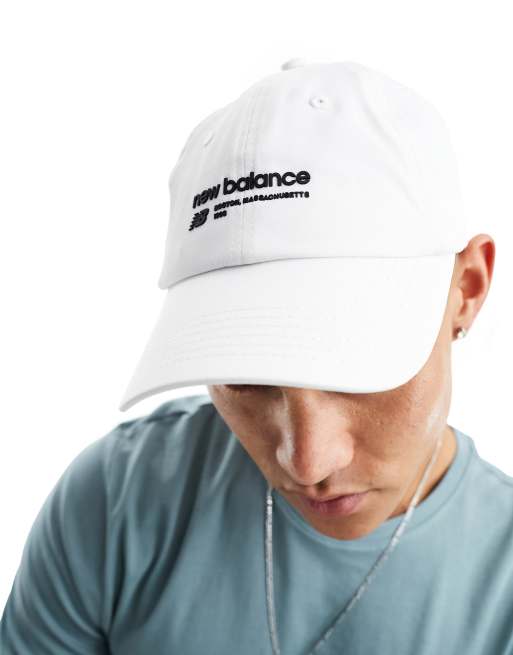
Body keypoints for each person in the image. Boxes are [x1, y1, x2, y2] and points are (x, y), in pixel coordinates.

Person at [1, 59, 510, 655]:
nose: (306, 461)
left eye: (358, 366)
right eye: (246, 376)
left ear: (466, 289)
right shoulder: (117, 502)